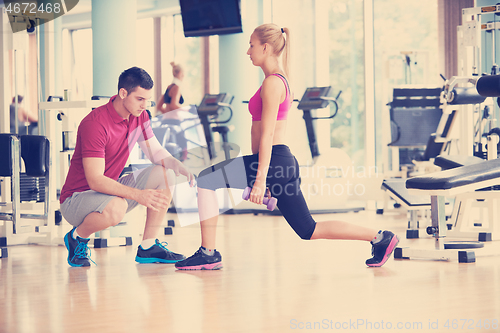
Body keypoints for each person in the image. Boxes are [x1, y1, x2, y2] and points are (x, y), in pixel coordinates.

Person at [175, 24, 399, 270]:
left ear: (265, 47)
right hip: (278, 162)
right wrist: (258, 177)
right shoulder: (277, 80)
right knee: (308, 229)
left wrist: (260, 180)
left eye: (251, 45)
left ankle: (208, 253)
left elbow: (268, 134)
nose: (247, 51)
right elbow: (260, 131)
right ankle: (380, 237)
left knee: (207, 180)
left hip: (274, 160)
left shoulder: (273, 83)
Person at [59, 67, 195, 267]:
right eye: (140, 99)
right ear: (123, 93)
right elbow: (95, 180)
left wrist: (177, 165)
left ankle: (148, 247)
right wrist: (138, 195)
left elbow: (155, 153)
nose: (144, 105)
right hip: (76, 199)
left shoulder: (140, 116)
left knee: (166, 174)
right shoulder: (95, 124)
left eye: (147, 99)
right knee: (117, 207)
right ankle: (77, 237)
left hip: (108, 192)